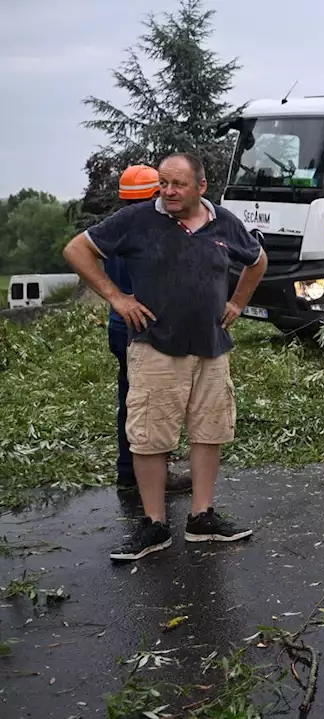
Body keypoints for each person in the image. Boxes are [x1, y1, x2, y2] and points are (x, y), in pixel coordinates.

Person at [63, 152, 268, 562]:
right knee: (149, 438)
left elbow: (258, 260)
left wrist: (238, 303)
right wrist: (118, 298)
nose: (168, 191)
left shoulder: (224, 222)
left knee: (210, 432)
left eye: (178, 184)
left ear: (201, 187)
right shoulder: (137, 220)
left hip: (211, 348)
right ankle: (155, 525)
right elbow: (77, 250)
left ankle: (202, 517)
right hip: (155, 347)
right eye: (164, 183)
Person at [108, 165, 193, 495]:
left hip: (119, 326)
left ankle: (128, 472)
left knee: (130, 399)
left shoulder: (115, 228)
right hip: (147, 329)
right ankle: (153, 479)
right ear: (153, 195)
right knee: (155, 404)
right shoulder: (153, 232)